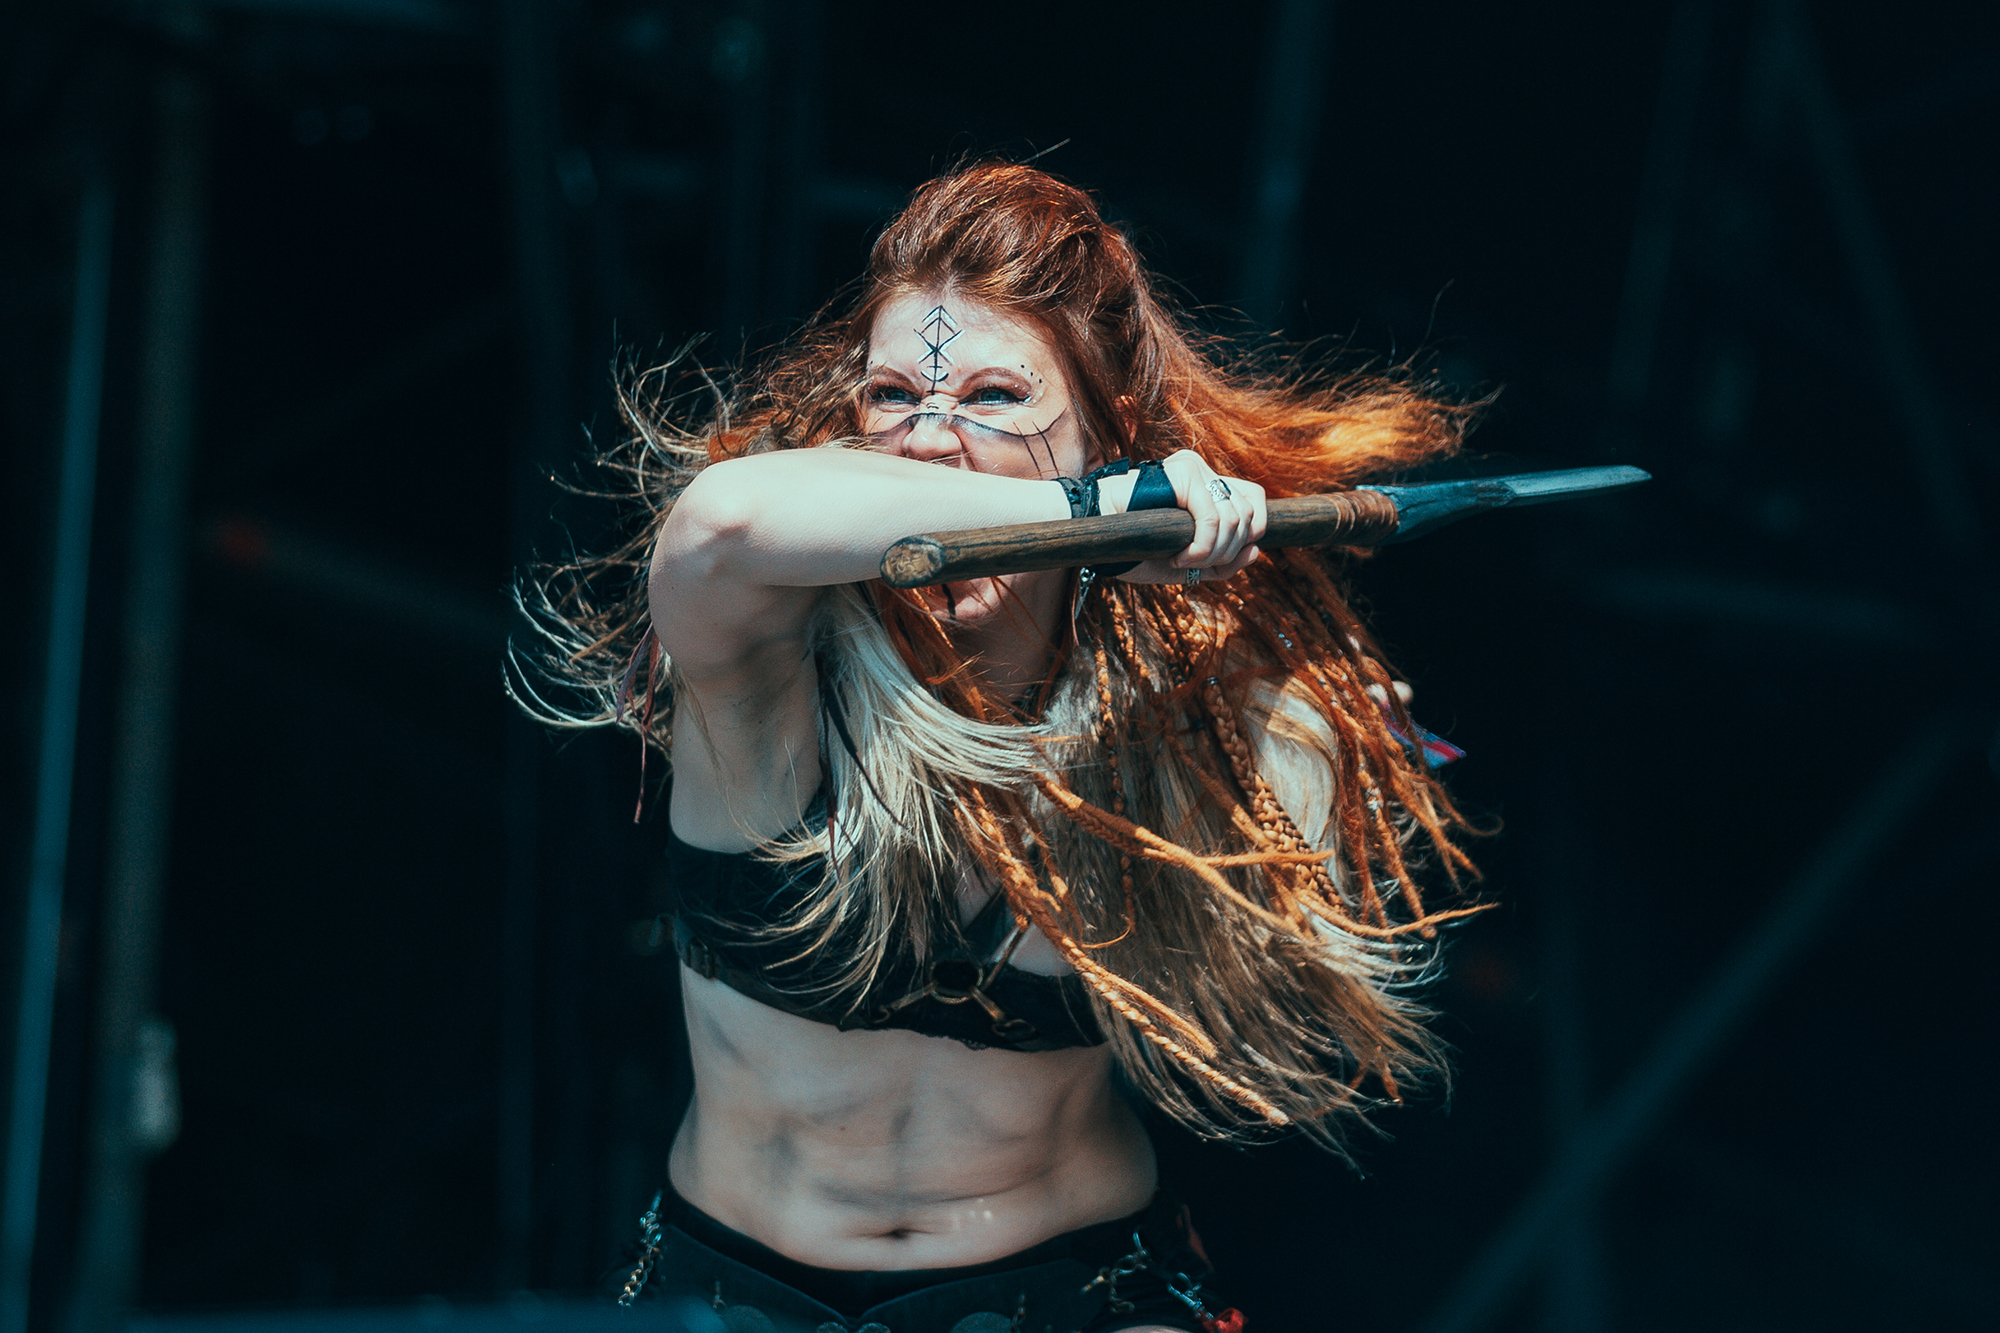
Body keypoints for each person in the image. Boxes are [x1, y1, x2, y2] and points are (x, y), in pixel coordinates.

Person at [521, 162, 1481, 1333]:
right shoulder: (766, 667)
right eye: (890, 396)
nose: (929, 442)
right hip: (738, 1297)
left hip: (1073, 1295)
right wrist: (1089, 521)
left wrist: (1302, 747)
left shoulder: (1173, 709)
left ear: (1107, 436)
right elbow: (721, 523)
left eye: (992, 397)